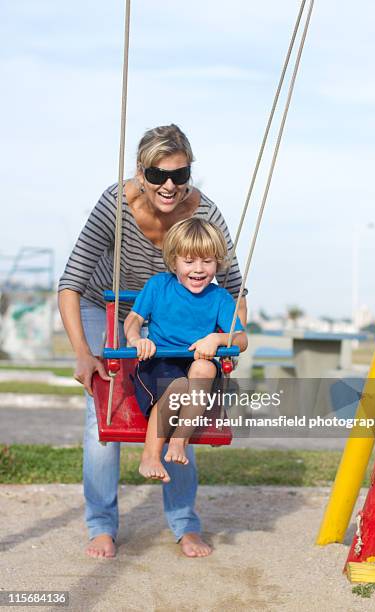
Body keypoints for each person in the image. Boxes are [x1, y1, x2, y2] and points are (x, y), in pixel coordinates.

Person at [58, 124, 247, 559]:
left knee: (183, 404)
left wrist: (223, 339)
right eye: (157, 174)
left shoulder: (205, 215)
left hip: (174, 321)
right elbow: (71, 282)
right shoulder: (114, 205)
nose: (168, 186)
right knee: (101, 414)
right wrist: (83, 355)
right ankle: (101, 525)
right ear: (140, 173)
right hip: (107, 309)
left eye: (179, 176)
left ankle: (184, 524)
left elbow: (236, 290)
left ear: (189, 175)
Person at [124, 218, 248, 483]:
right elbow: (133, 320)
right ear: (174, 260)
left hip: (196, 364)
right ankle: (150, 455)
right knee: (178, 385)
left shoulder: (220, 298)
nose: (199, 269)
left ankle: (180, 440)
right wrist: (137, 340)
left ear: (217, 262)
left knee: (204, 368)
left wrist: (217, 338)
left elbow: (241, 339)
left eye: (207, 261)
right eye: (189, 261)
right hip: (159, 363)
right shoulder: (158, 286)